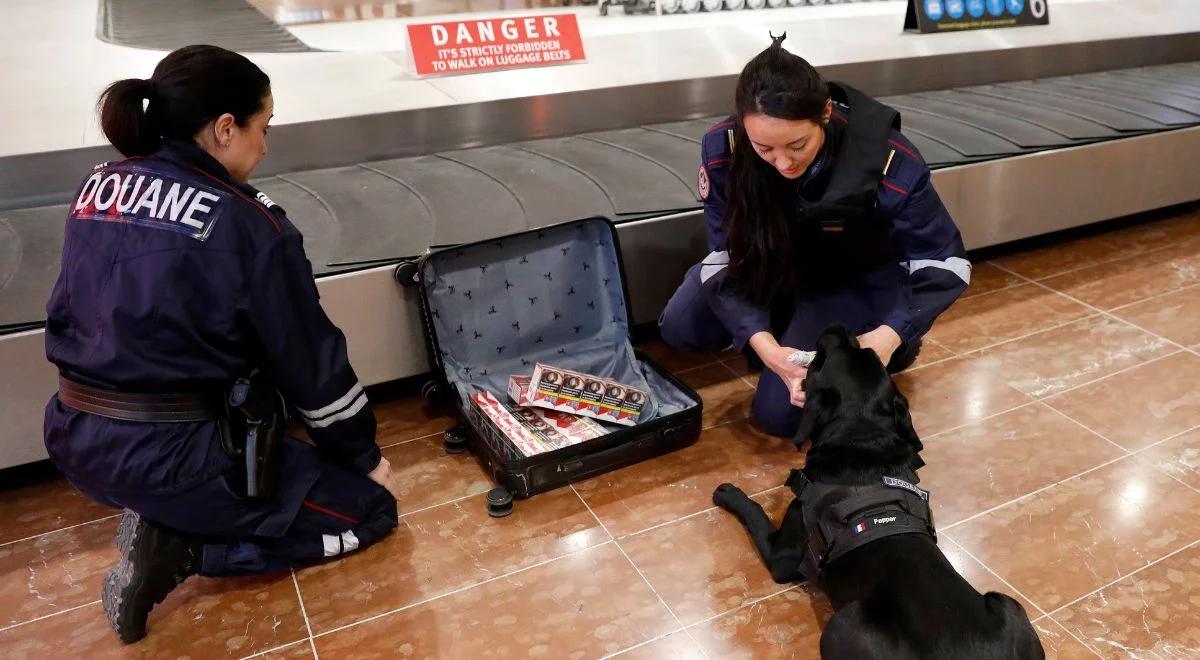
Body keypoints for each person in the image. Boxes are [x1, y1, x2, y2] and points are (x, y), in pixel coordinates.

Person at [42, 45, 401, 644]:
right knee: (368, 511)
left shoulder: (97, 188)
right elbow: (311, 363)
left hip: (74, 435)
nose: (267, 143)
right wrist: (364, 458)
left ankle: (172, 511)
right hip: (172, 456)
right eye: (264, 127)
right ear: (225, 129)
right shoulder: (250, 225)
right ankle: (186, 548)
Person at [660, 35, 970, 438]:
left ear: (824, 112)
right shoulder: (724, 148)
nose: (782, 162)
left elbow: (944, 261)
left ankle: (889, 345)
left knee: (782, 418)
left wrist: (891, 333)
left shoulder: (888, 160)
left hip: (845, 276)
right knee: (683, 327)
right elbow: (724, 255)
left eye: (797, 145)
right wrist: (767, 348)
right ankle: (785, 326)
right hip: (773, 264)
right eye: (764, 149)